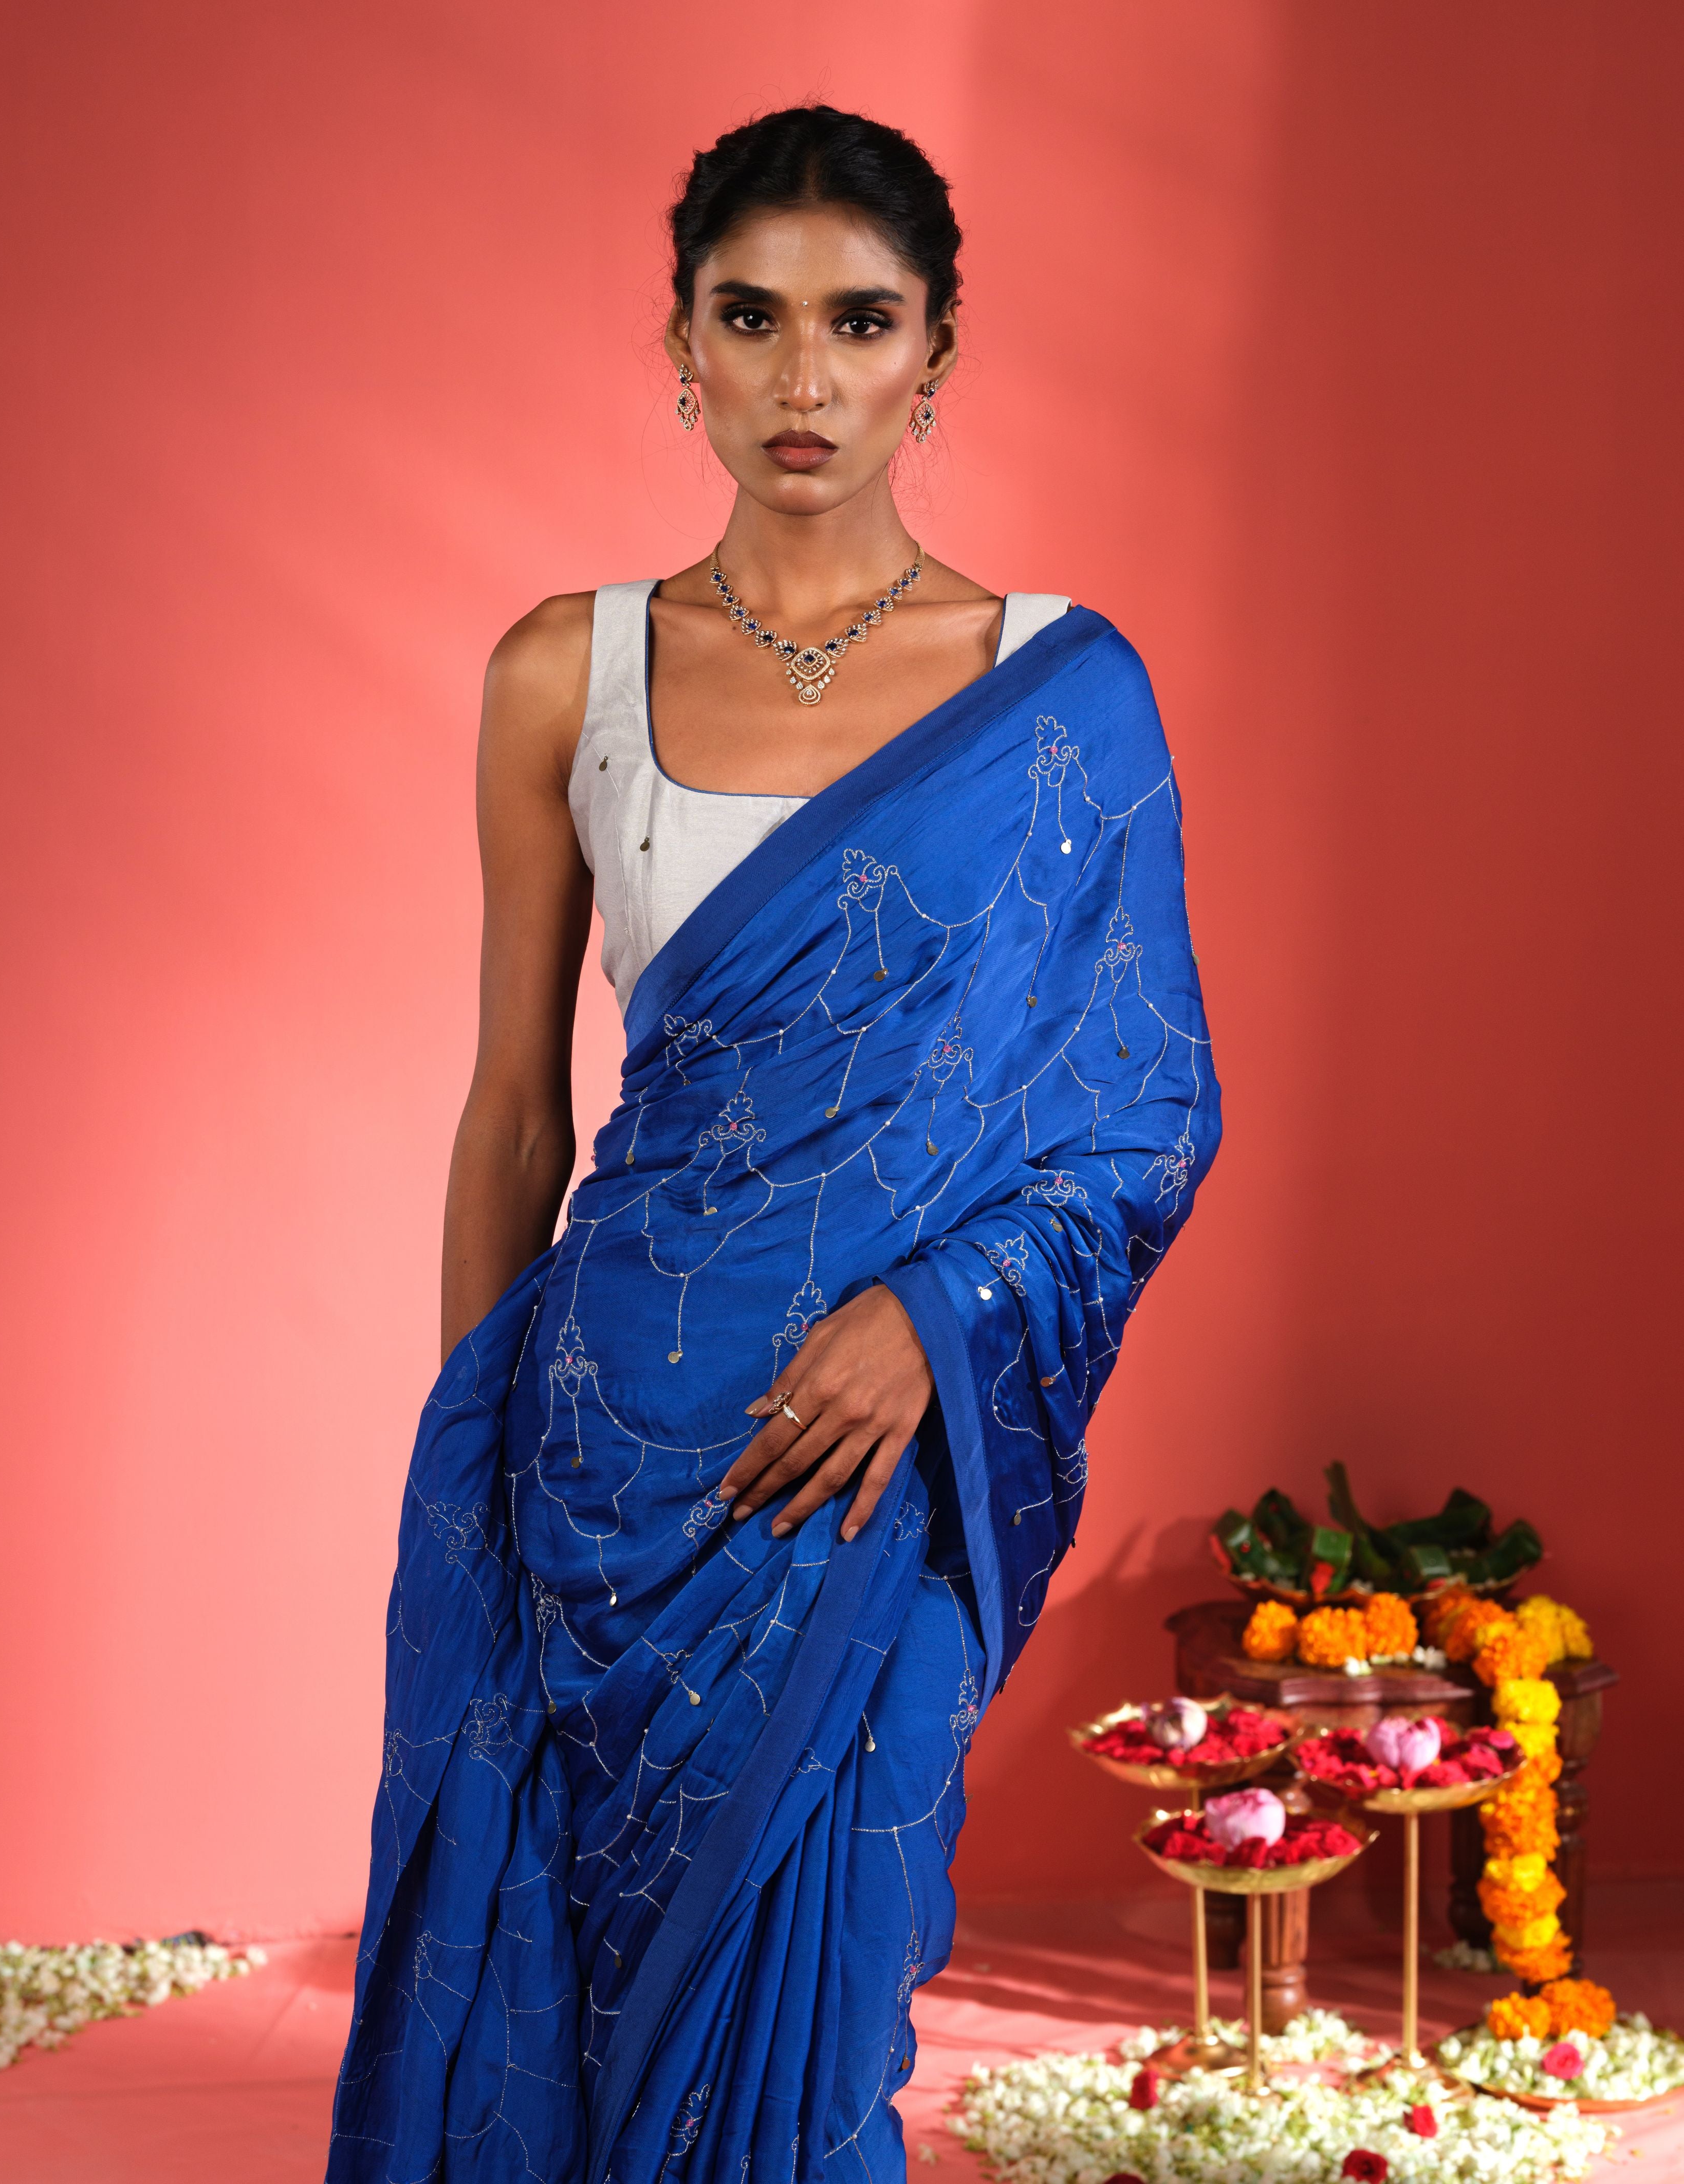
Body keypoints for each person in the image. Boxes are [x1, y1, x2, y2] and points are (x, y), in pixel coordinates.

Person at [329, 103, 1220, 2184]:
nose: (802, 377)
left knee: (806, 2041)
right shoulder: (567, 670)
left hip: (868, 1475)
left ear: (937, 351)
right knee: (564, 1994)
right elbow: (514, 1104)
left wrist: (938, 1316)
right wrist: (480, 1474)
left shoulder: (1060, 697)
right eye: (752, 317)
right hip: (602, 1453)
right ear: (683, 344)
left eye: (858, 321)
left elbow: (1142, 1114)